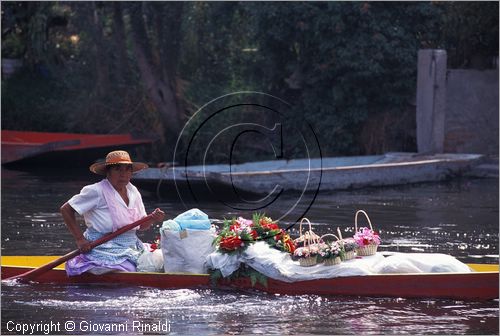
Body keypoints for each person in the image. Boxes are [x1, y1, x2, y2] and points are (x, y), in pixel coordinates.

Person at [60, 150, 165, 276]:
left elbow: (142, 226)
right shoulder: (96, 191)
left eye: (127, 169)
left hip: (131, 245)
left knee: (159, 263)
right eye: (117, 169)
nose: (123, 174)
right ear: (108, 172)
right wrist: (80, 240)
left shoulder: (133, 191)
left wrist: (152, 218)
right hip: (102, 246)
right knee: (131, 269)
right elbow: (66, 209)